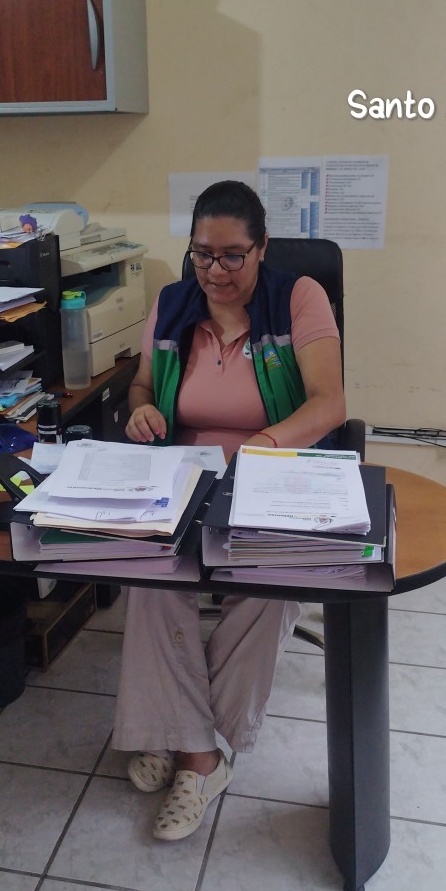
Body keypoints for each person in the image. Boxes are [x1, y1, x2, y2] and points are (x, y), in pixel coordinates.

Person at [114, 180, 346, 841]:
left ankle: (183, 738)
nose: (215, 271)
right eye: (202, 255)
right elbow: (138, 384)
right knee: (150, 578)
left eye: (232, 256)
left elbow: (329, 402)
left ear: (262, 247)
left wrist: (264, 445)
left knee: (269, 590)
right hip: (182, 476)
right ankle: (200, 753)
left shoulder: (297, 298)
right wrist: (141, 409)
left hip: (274, 474)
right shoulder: (173, 303)